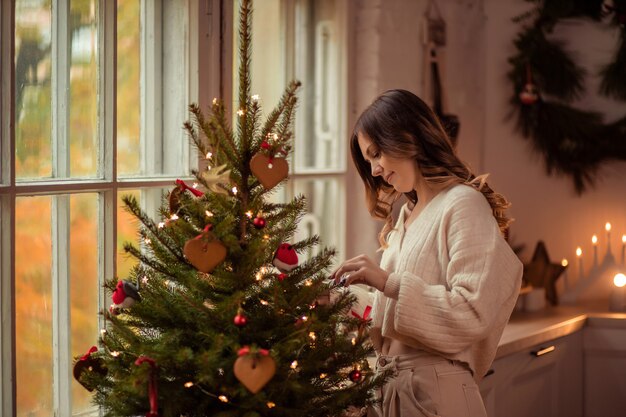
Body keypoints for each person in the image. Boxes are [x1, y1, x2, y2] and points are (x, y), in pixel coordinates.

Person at [331, 89, 522, 417]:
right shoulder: (406, 218)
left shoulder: (463, 203)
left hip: (437, 393)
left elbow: (471, 311)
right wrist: (337, 300)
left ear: (408, 138)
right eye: (368, 161)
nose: (375, 170)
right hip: (397, 389)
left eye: (376, 154)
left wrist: (387, 280)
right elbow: (392, 315)